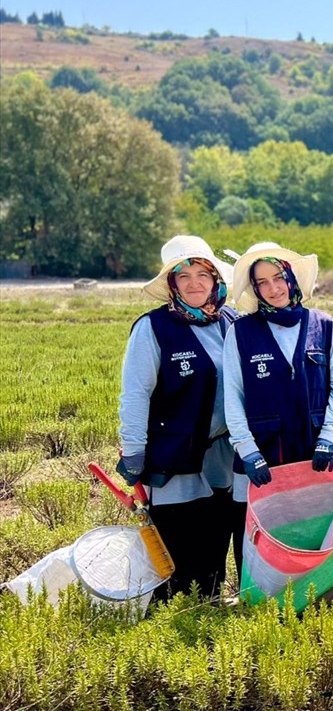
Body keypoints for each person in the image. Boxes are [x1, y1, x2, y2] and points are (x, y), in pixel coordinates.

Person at [117, 235, 238, 600]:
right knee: (179, 532)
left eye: (202, 274)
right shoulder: (153, 328)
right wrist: (134, 449)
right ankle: (175, 608)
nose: (194, 283)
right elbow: (135, 393)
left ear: (216, 279)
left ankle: (211, 598)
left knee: (218, 524)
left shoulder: (230, 321)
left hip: (223, 450)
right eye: (183, 276)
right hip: (174, 450)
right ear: (172, 284)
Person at [223, 242, 333, 575]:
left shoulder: (324, 325)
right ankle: (264, 598)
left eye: (278, 277)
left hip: (315, 448)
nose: (272, 288)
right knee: (260, 529)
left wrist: (328, 438)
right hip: (263, 452)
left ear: (292, 279)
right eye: (261, 282)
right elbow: (232, 397)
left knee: (319, 523)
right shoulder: (240, 332)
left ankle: (321, 592)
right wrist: (247, 450)